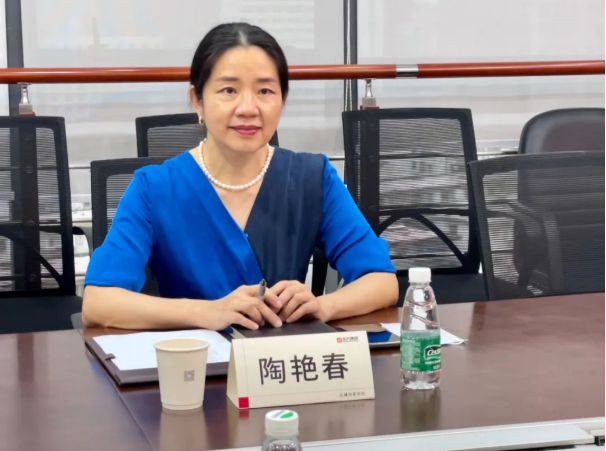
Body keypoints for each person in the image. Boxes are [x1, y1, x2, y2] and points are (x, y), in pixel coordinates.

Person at [82, 22, 398, 331]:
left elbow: (381, 281)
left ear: (282, 101)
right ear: (198, 100)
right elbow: (99, 302)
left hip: (284, 358)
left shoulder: (313, 177)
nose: (248, 108)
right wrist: (206, 311)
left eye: (265, 91)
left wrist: (324, 305)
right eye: (229, 90)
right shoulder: (154, 188)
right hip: (196, 360)